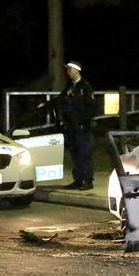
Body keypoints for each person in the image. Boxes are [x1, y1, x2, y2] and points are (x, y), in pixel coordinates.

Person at [56, 61, 96, 190]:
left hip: (82, 127)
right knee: (75, 154)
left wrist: (83, 121)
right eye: (67, 70)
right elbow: (61, 99)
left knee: (84, 153)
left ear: (77, 70)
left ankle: (88, 181)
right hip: (71, 126)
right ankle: (78, 180)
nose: (68, 72)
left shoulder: (85, 86)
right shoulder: (70, 86)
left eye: (70, 70)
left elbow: (91, 107)